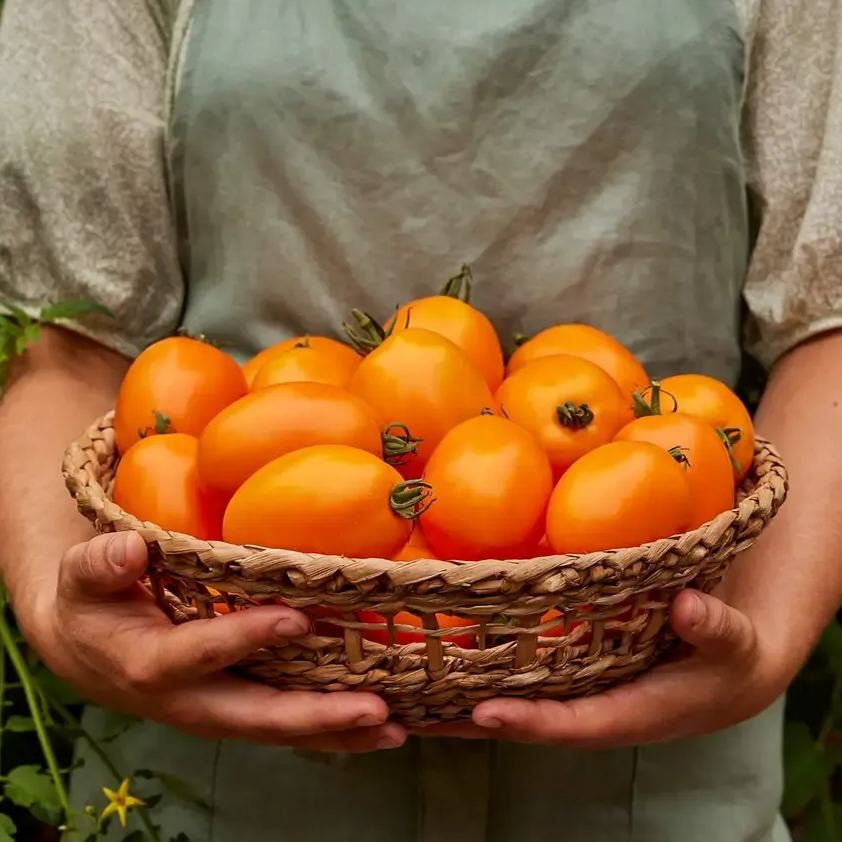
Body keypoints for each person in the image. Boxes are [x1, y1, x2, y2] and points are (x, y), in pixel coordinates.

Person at [1, 1, 841, 839]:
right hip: (227, 732)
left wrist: (768, 632)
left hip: (654, 753)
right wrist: (62, 611)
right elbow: (67, 330)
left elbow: (829, 313)